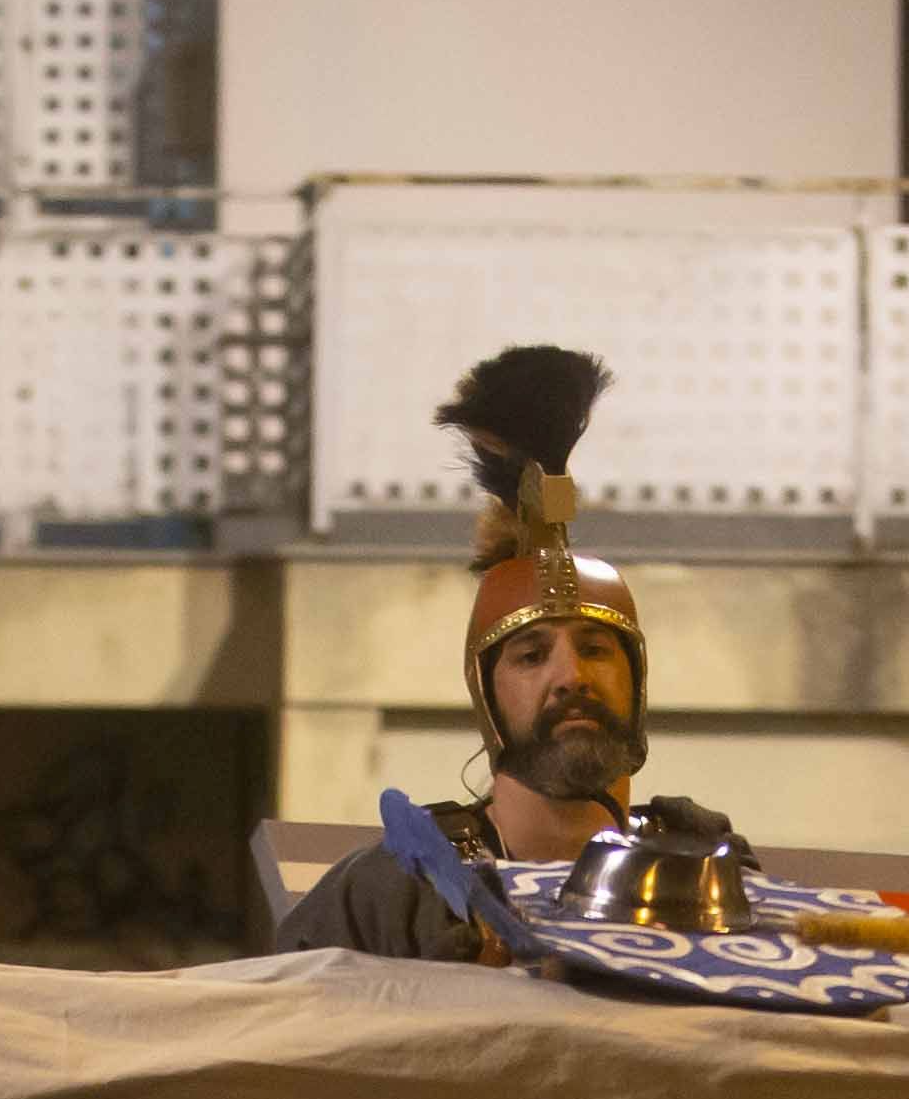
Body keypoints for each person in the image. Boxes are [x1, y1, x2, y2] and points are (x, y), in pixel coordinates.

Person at [276, 346, 738, 964]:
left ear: (639, 678)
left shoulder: (703, 866)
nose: (571, 677)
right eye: (530, 655)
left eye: (597, 649)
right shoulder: (392, 892)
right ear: (485, 693)